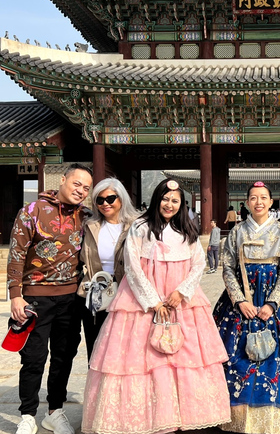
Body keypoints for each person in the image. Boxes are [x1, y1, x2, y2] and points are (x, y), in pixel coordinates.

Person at [81, 179, 230, 434]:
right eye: (165, 199)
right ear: (156, 199)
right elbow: (132, 267)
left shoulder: (188, 229)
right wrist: (153, 301)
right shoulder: (140, 226)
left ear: (182, 205)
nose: (169, 205)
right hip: (143, 301)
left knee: (186, 358)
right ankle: (147, 416)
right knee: (142, 359)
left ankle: (183, 414)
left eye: (175, 201)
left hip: (180, 300)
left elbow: (198, 263)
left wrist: (181, 292)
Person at [7, 163, 93, 434]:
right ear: (63, 180)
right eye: (77, 184)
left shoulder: (87, 217)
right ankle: (28, 414)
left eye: (86, 188)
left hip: (71, 298)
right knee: (33, 356)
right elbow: (17, 253)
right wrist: (15, 296)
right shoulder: (31, 211)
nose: (81, 191)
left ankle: (55, 411)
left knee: (64, 355)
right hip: (35, 297)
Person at [213, 181, 280, 434]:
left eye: (264, 198)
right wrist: (240, 300)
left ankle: (275, 421)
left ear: (271, 202)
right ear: (247, 202)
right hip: (241, 300)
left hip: (272, 300)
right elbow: (228, 267)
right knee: (236, 356)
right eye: (253, 198)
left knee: (278, 357)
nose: (259, 202)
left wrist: (273, 304)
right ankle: (236, 418)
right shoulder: (236, 231)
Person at [78, 178, 139, 361]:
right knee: (96, 349)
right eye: (100, 200)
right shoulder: (89, 225)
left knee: (125, 351)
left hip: (127, 294)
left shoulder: (138, 225)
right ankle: (97, 389)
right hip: (96, 294)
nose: (105, 204)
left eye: (111, 198)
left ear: (121, 198)